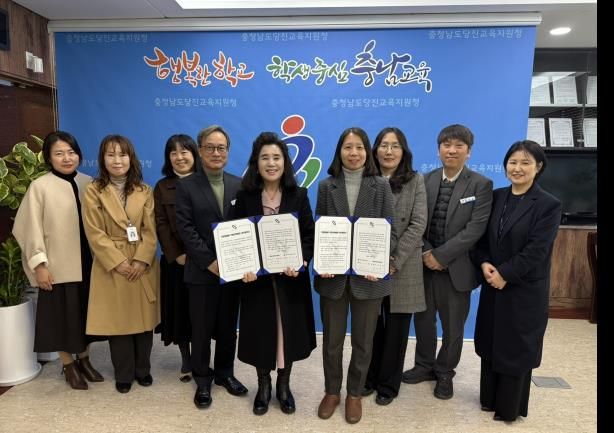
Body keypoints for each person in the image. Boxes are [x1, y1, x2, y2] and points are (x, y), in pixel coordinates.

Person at [402, 124, 493, 400]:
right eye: (446, 145)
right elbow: (415, 221)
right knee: (424, 321)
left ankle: (444, 372)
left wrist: (441, 256)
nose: (451, 150)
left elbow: (475, 229)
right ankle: (424, 365)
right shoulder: (424, 180)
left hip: (457, 268)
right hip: (424, 265)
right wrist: (427, 253)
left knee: (453, 326)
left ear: (469, 151)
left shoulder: (480, 184)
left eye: (458, 146)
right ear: (438, 149)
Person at [473, 140, 561, 422]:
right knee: (491, 341)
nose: (518, 168)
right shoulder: (496, 197)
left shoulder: (548, 204)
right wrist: (485, 263)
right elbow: (481, 240)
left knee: (516, 347)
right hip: (492, 284)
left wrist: (505, 275)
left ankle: (508, 408)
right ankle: (488, 399)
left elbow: (537, 250)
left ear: (539, 167)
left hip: (523, 288)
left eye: (525, 163)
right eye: (513, 162)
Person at [315, 127, 396, 424]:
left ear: (367, 152)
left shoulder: (381, 185)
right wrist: (321, 258)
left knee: (363, 342)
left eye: (359, 147)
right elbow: (320, 229)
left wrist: (381, 262)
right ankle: (332, 391)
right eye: (348, 147)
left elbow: (390, 232)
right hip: (333, 278)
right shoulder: (327, 186)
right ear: (339, 152)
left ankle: (354, 393)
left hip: (368, 279)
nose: (354, 153)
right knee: (332, 341)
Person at [233, 132, 316, 416]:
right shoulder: (244, 197)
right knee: (261, 332)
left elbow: (309, 235)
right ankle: (263, 385)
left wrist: (302, 260)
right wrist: (241, 267)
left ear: (285, 162)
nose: (271, 163)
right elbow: (236, 237)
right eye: (265, 158)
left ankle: (283, 385)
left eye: (276, 158)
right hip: (256, 282)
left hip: (289, 280)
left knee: (287, 332)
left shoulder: (299, 195)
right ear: (256, 163)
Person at [13, 131, 104, 390]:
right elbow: (28, 228)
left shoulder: (89, 183)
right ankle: (68, 365)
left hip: (89, 263)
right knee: (61, 318)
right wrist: (39, 265)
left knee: (85, 315)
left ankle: (84, 359)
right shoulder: (40, 187)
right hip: (57, 266)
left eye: (71, 152)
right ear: (48, 158)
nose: (67, 158)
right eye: (59, 153)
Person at [175, 125, 248, 410]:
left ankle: (225, 374)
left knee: (228, 327)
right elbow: (186, 228)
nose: (216, 153)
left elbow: (245, 227)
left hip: (233, 271)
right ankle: (202, 379)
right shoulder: (186, 186)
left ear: (227, 151)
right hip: (201, 271)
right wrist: (210, 262)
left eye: (221, 148)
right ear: (200, 150)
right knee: (202, 330)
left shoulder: (239, 185)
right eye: (210, 147)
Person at [82, 134, 160, 394]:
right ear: (102, 159)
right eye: (111, 155)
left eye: (122, 154)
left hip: (141, 262)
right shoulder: (93, 190)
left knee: (143, 321)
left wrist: (141, 260)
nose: (117, 160)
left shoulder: (144, 190)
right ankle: (124, 374)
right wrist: (118, 262)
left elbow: (150, 230)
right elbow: (94, 232)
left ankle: (143, 370)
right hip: (111, 262)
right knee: (119, 323)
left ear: (131, 158)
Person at [363, 127, 427, 405]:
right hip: (368, 264)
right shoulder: (366, 180)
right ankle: (369, 378)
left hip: (403, 265)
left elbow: (418, 223)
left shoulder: (415, 180)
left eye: (395, 146)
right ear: (375, 150)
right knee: (371, 326)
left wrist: (394, 260)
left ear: (404, 151)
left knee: (397, 330)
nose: (389, 151)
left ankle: (388, 385)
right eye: (384, 145)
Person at [153, 134, 200, 383]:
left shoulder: (207, 181)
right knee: (180, 312)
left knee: (202, 313)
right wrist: (176, 255)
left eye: (184, 151)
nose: (179, 157)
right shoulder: (162, 187)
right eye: (173, 153)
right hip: (177, 262)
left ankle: (202, 356)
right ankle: (186, 358)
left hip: (206, 262)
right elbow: (160, 224)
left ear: (194, 154)